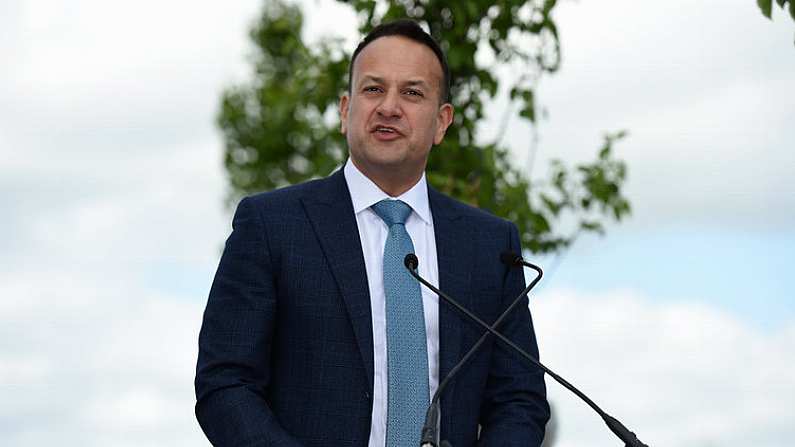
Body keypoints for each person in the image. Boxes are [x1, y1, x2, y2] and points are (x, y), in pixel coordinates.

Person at [195, 19, 550, 447]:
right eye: (373, 89)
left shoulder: (490, 246)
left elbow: (519, 399)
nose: (389, 107)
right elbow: (226, 383)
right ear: (346, 111)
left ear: (442, 122)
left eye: (412, 93)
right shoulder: (272, 225)